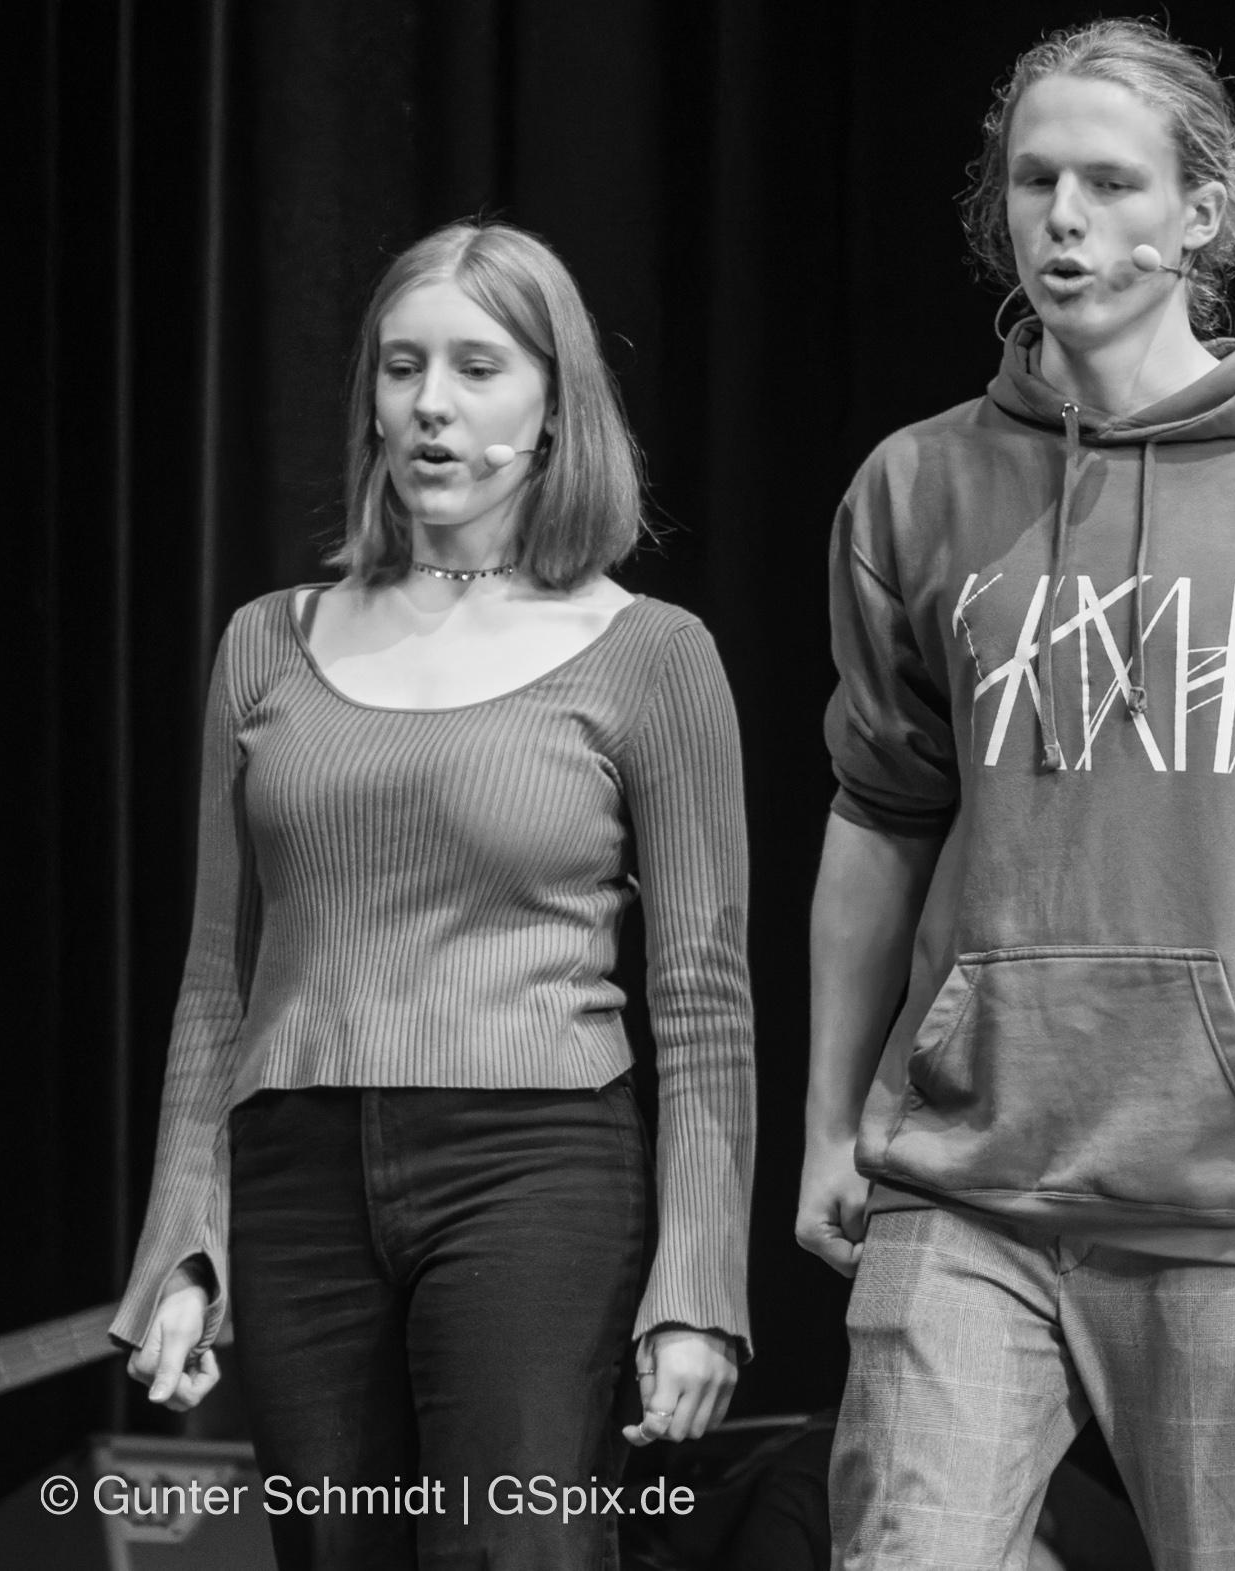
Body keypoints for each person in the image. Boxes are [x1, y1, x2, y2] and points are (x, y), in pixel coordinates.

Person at [795, 19, 1235, 1571]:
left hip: (1233, 1193)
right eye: (1032, 178)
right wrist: (829, 1120)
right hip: (964, 1179)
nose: (1064, 217)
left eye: (1112, 183)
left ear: (1203, 214)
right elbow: (879, 809)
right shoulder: (917, 486)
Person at [111, 219, 755, 1570]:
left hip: (532, 1164)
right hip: (297, 1179)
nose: (432, 405)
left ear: (554, 405)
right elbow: (219, 976)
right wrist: (183, 1240)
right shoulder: (266, 643)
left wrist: (700, 1284)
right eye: (402, 368)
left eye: (477, 366)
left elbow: (703, 1000)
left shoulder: (650, 655)